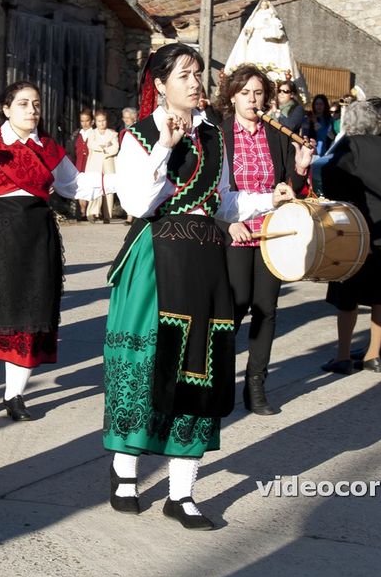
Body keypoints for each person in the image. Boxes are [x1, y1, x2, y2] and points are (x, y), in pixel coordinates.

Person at [103, 44, 297, 530]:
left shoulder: (214, 135)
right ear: (160, 83)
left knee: (200, 372)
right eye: (184, 75)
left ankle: (181, 493)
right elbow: (138, 201)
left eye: (197, 74)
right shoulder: (139, 136)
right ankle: (126, 472)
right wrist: (166, 146)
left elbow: (223, 202)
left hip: (206, 259)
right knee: (145, 364)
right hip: (155, 260)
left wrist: (266, 199)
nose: (194, 82)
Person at [0, 81, 99, 421]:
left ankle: (15, 395)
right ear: (7, 109)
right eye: (23, 104)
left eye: (36, 104)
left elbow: (75, 185)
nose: (32, 110)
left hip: (33, 236)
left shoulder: (49, 149)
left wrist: (124, 179)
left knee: (28, 311)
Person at [214, 64, 314, 416]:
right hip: (235, 229)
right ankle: (220, 381)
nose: (252, 99)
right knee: (236, 306)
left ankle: (256, 385)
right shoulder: (218, 134)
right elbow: (207, 190)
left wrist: (300, 168)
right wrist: (226, 225)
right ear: (232, 96)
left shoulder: (278, 134)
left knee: (267, 310)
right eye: (245, 93)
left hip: (272, 231)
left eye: (258, 93)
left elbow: (292, 190)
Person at [320, 101, 381, 375]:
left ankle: (344, 355)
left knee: (347, 295)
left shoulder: (350, 146)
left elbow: (330, 174)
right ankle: (374, 354)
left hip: (359, 233)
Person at [85, 109, 120, 223]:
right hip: (95, 164)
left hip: (108, 162)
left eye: (103, 121)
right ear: (95, 122)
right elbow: (91, 144)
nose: (101, 123)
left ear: (107, 121)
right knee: (95, 186)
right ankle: (92, 212)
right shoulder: (92, 133)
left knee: (108, 188)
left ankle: (107, 215)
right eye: (99, 121)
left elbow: (115, 148)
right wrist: (103, 146)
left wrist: (105, 150)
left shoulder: (112, 133)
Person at [71, 108, 93, 219]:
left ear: (92, 121)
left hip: (90, 165)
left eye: (87, 120)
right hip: (79, 165)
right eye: (82, 121)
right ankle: (82, 211)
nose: (84, 123)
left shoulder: (94, 134)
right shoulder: (76, 135)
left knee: (90, 188)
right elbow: (71, 151)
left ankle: (91, 211)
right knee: (80, 188)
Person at [118, 107, 138, 223]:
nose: (125, 120)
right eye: (124, 118)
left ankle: (134, 215)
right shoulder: (121, 129)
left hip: (136, 162)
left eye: (128, 118)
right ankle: (129, 215)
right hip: (125, 162)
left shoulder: (139, 129)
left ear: (134, 118)